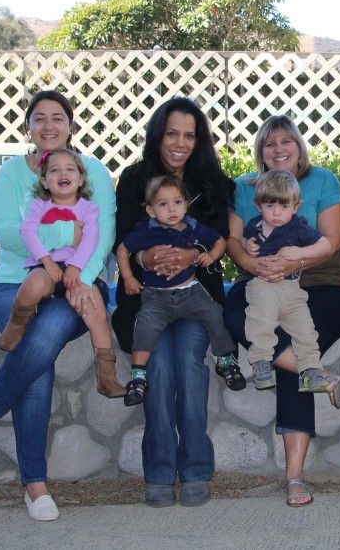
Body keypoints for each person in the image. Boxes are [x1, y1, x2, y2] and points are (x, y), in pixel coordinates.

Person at [0, 90, 117, 521]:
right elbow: (7, 233)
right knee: (37, 363)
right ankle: (35, 484)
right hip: (17, 280)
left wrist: (79, 273)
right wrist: (61, 241)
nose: (48, 126)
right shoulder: (12, 173)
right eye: (39, 118)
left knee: (43, 334)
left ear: (71, 125)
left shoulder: (93, 172)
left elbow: (102, 235)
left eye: (57, 117)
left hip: (78, 280)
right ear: (28, 127)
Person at [110, 97, 236, 508]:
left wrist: (190, 254)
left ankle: (196, 468)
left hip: (197, 297)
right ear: (157, 135)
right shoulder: (134, 180)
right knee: (159, 366)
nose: (180, 143)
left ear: (199, 141)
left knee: (187, 364)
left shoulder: (213, 184)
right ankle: (160, 471)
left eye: (189, 136)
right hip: (147, 301)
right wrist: (145, 258)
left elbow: (220, 241)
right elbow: (121, 240)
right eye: (172, 134)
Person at [223, 115, 340, 507]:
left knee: (288, 345)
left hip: (318, 280)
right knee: (235, 314)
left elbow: (333, 240)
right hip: (260, 279)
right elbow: (233, 239)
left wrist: (294, 261)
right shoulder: (245, 186)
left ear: (298, 146)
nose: (278, 149)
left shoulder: (323, 180)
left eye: (286, 141)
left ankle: (295, 476)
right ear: (260, 151)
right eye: (270, 143)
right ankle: (317, 376)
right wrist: (254, 264)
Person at [0, 148, 124, 397]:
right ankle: (16, 324)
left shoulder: (89, 209)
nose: (62, 174)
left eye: (70, 170)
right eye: (54, 170)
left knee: (95, 310)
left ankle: (106, 376)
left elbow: (91, 240)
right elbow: (28, 233)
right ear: (44, 181)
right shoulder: (39, 206)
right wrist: (47, 262)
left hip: (77, 268)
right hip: (46, 265)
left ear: (81, 179)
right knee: (32, 286)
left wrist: (76, 268)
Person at [116, 175, 243, 407]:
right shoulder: (145, 231)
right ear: (151, 210)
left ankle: (225, 359)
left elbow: (220, 241)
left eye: (177, 202)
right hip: (156, 296)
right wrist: (128, 277)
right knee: (144, 325)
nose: (172, 209)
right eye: (163, 204)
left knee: (215, 314)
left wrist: (211, 255)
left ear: (186, 204)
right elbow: (123, 250)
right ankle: (138, 376)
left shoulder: (193, 227)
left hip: (190, 292)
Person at [239, 169, 340, 398]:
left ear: (295, 207)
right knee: (261, 319)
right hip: (263, 285)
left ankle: (310, 371)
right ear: (258, 206)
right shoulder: (254, 226)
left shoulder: (298, 227)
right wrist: (247, 245)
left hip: (292, 289)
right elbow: (241, 239)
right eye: (270, 206)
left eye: (284, 206)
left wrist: (301, 253)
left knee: (305, 329)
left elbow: (326, 245)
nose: (277, 213)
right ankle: (261, 362)